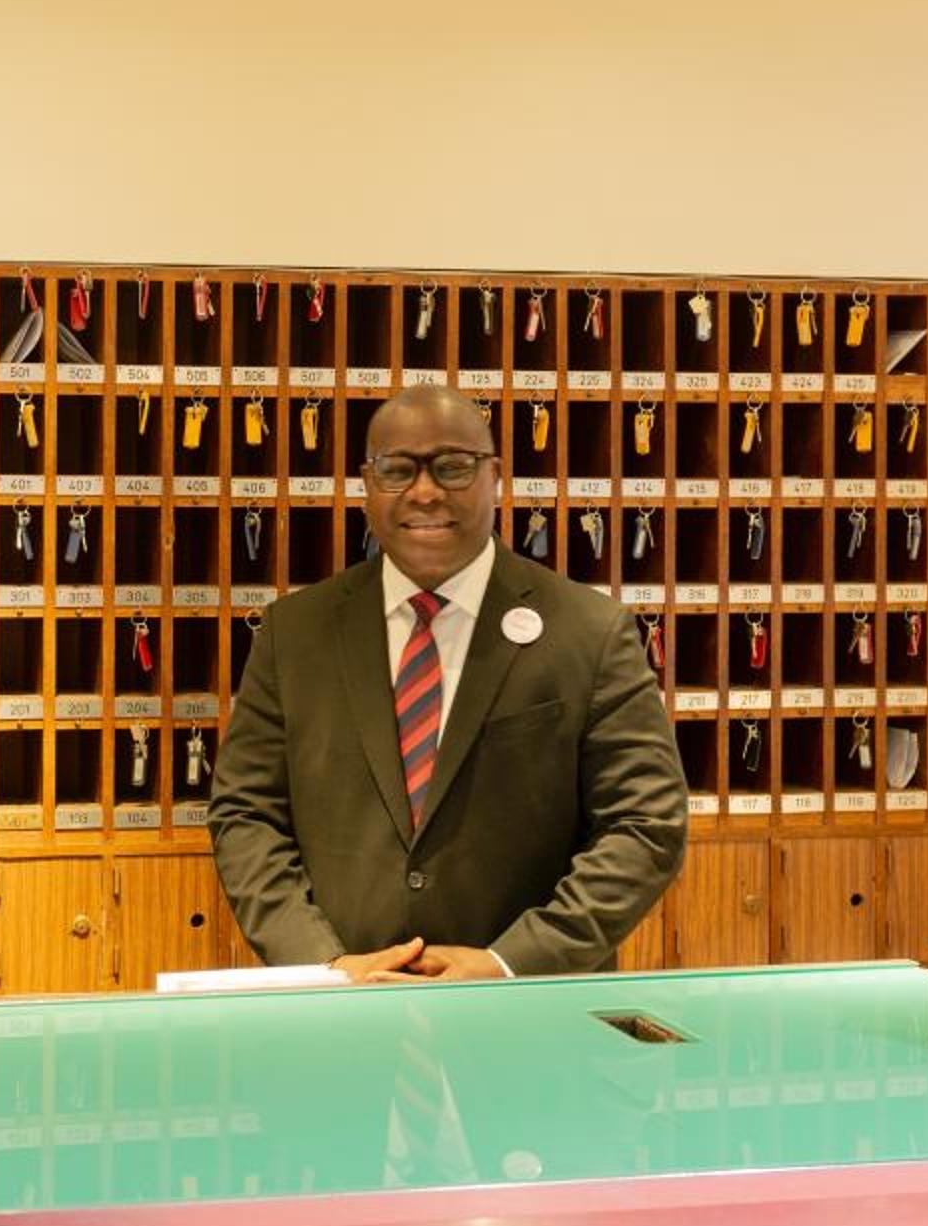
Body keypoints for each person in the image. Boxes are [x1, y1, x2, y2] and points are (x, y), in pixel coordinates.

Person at [209, 383, 688, 981]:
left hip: (528, 1006)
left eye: (454, 467)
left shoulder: (590, 632)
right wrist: (323, 964)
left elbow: (645, 824)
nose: (426, 491)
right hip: (343, 1003)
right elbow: (247, 816)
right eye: (397, 470)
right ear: (367, 484)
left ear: (496, 477)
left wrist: (512, 962)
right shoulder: (294, 634)